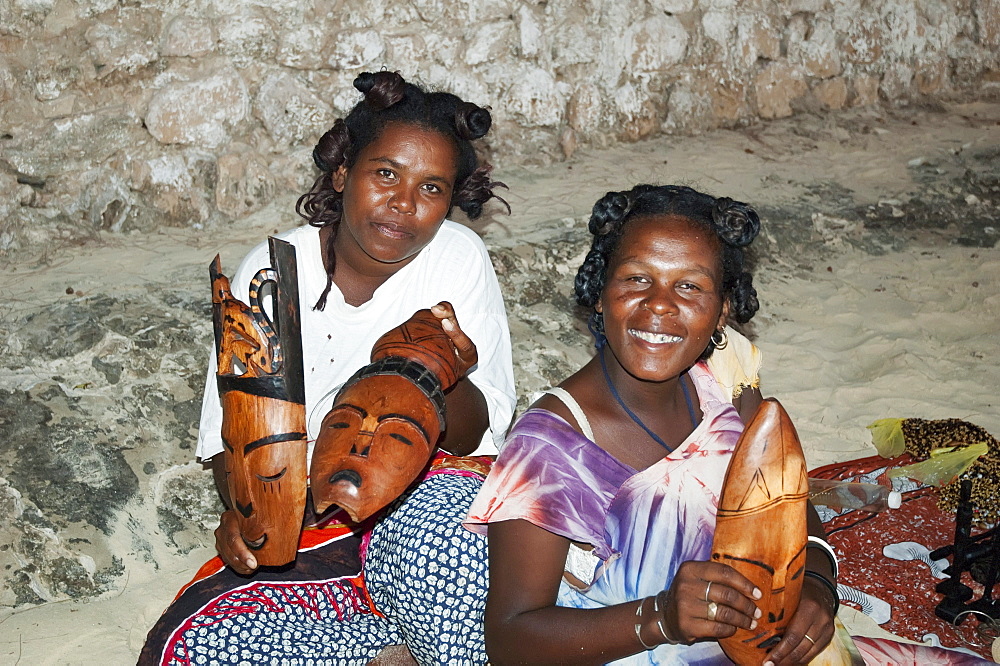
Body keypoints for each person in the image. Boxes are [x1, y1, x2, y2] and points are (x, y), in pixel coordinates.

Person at [465, 184, 988, 665]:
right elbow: (512, 638)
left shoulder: (719, 380)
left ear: (721, 312)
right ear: (600, 293)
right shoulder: (553, 445)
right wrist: (660, 618)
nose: (660, 305)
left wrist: (817, 585)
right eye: (637, 279)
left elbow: (790, 505)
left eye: (690, 286)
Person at [140, 70, 515, 666]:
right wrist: (245, 515)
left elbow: (475, 430)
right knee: (197, 646)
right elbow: (234, 434)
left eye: (432, 187)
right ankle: (390, 647)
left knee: (443, 561)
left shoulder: (455, 258)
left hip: (428, 501)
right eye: (386, 173)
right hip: (311, 519)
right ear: (343, 174)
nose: (403, 204)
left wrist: (429, 369)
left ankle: (414, 639)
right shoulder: (269, 270)